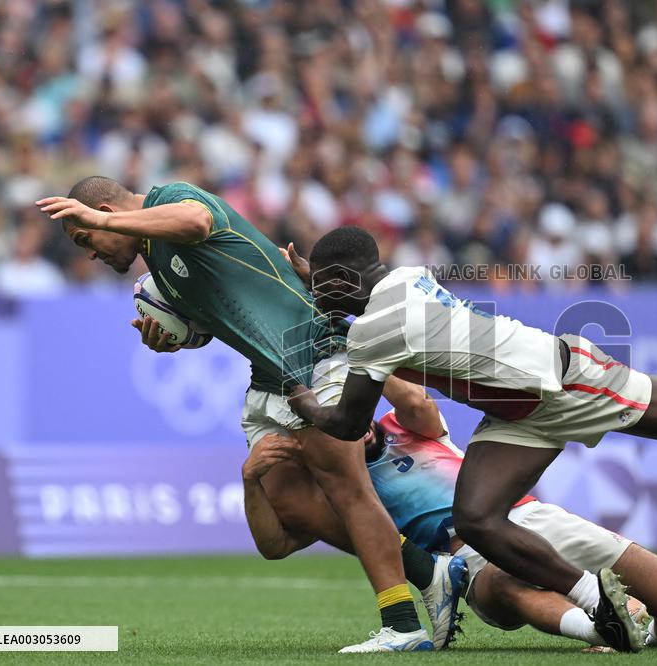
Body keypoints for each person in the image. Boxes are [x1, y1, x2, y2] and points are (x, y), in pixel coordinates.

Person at [286, 225, 657, 652]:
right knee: (477, 518)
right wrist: (323, 285)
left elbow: (349, 424)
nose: (317, 294)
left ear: (343, 278)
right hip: (518, 413)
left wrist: (304, 401)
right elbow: (364, 313)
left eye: (323, 285)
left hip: (563, 383)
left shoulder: (372, 329)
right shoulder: (404, 278)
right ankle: (600, 604)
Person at [35, 178, 465, 653]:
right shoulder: (157, 262)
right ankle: (430, 571)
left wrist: (101, 221)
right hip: (269, 378)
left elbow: (197, 221)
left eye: (85, 239)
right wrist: (172, 340)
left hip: (309, 353)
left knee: (347, 490)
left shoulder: (171, 199)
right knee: (288, 499)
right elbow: (222, 311)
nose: (91, 251)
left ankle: (402, 624)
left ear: (105, 208)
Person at [246, 374, 657, 651]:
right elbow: (275, 545)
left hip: (529, 517)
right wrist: (251, 481)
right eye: (334, 419)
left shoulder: (406, 424)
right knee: (503, 583)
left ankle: (655, 636)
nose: (353, 423)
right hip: (469, 554)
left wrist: (363, 356)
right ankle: (600, 626)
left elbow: (413, 395)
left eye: (352, 408)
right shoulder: (342, 490)